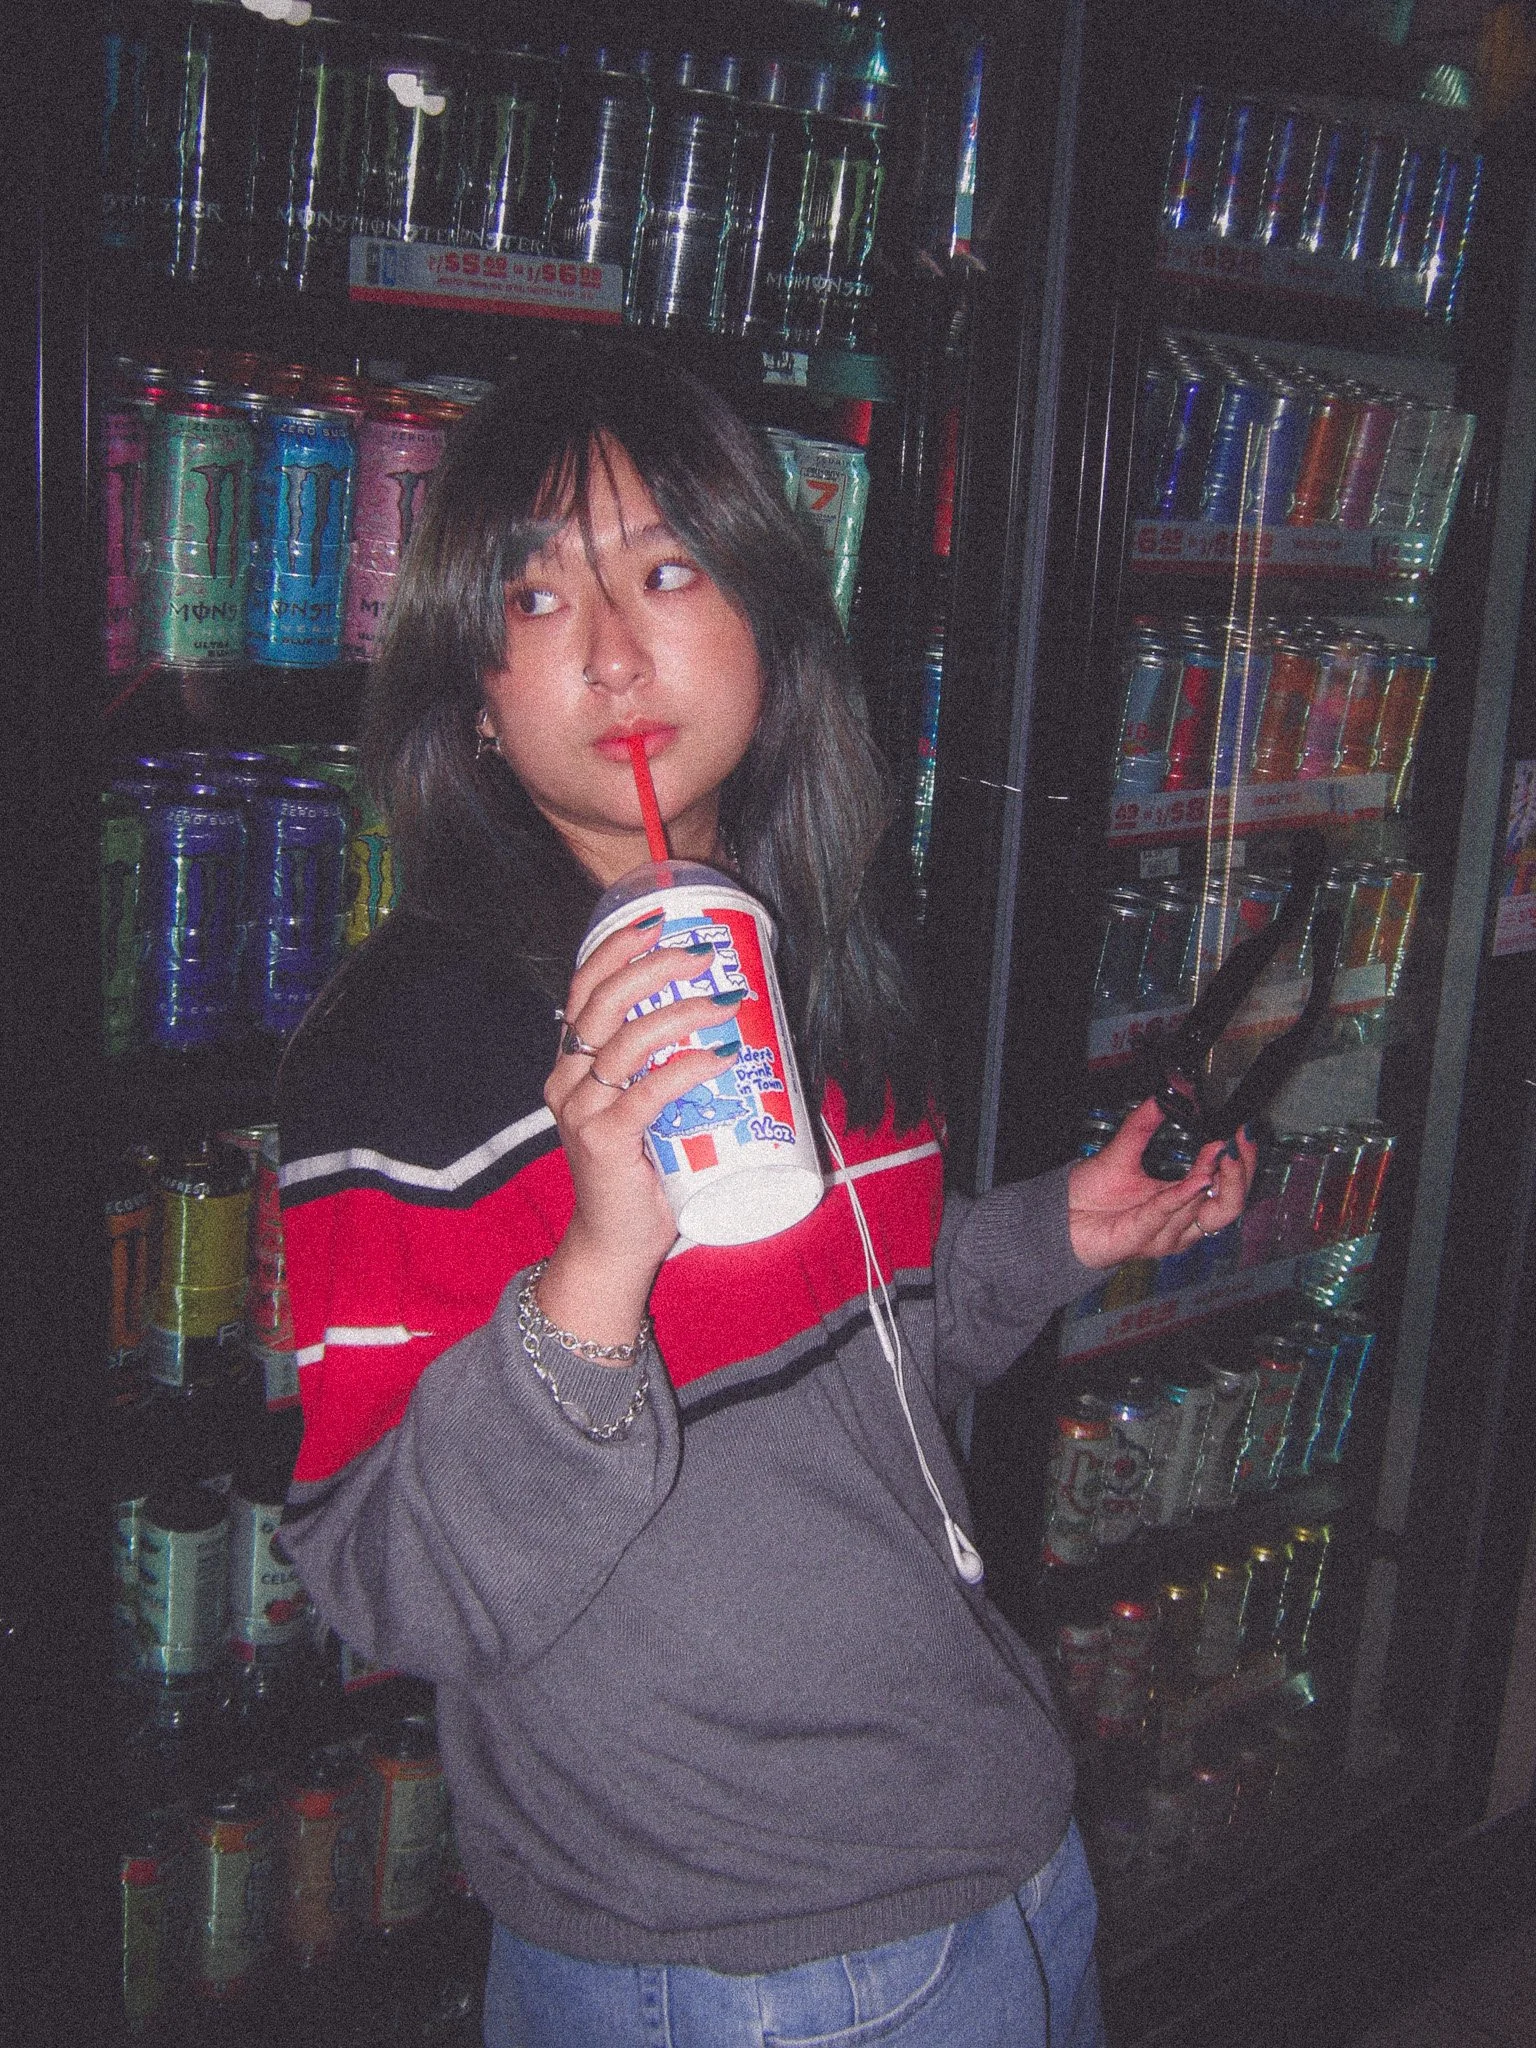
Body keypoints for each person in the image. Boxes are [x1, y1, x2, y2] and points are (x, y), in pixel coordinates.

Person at [276, 343, 1255, 2048]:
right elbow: (386, 1585)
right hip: (745, 1957)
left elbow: (854, 1362)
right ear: (474, 699)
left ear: (773, 628)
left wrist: (1053, 1237)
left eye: (667, 571)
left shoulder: (823, 960)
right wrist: (600, 1263)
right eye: (535, 598)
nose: (610, 649)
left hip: (1000, 1835)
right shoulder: (406, 1054)